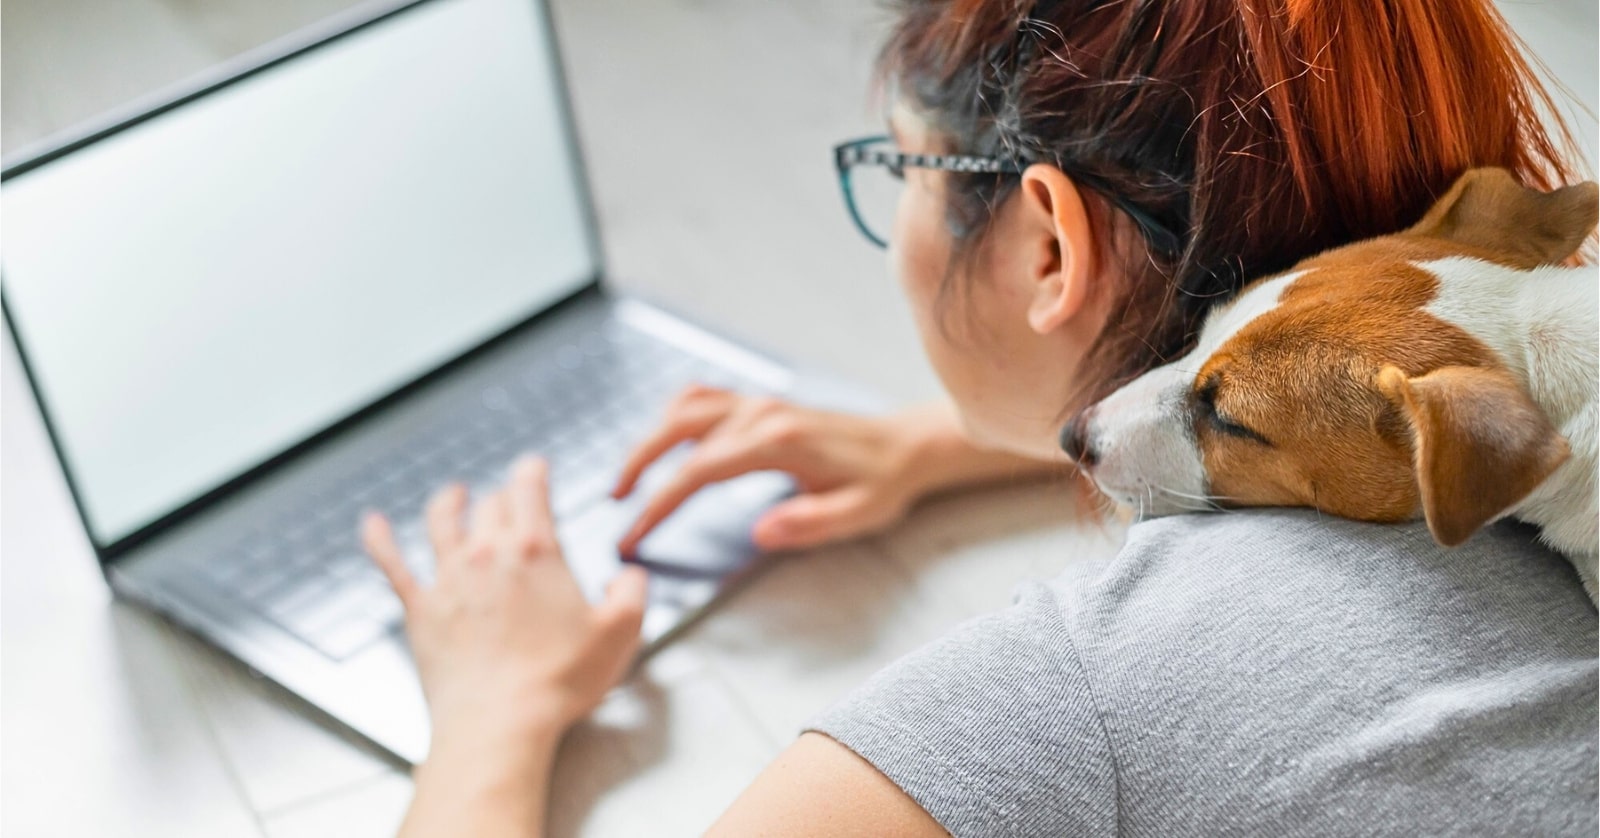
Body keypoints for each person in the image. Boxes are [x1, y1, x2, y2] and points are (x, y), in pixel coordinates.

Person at [359, 0, 1599, 835]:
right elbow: (1307, 407)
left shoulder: (1089, 681)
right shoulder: (1532, 346)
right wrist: (939, 444)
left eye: (895, 166)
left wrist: (491, 714)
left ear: (1048, 242)